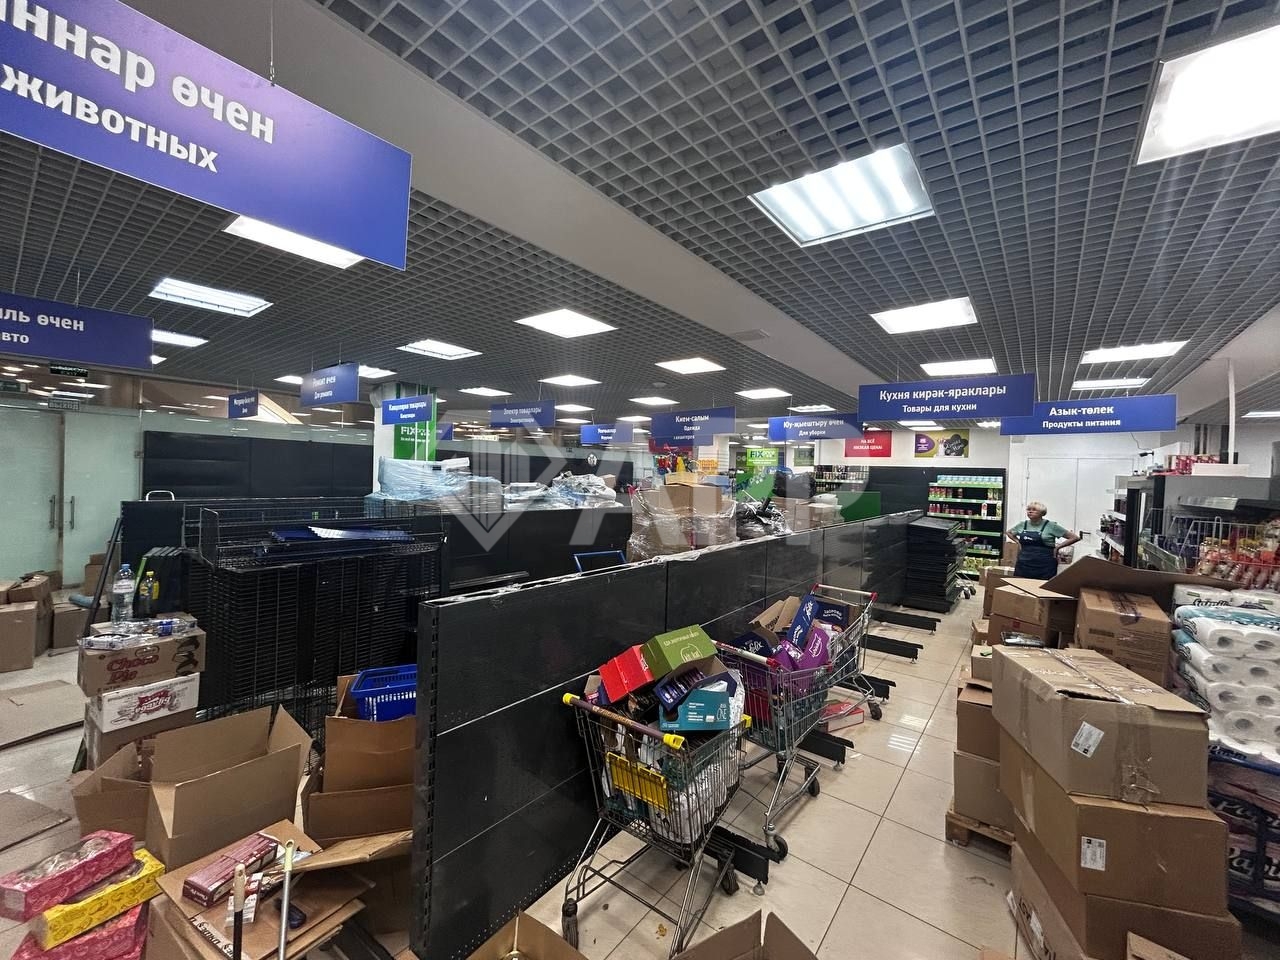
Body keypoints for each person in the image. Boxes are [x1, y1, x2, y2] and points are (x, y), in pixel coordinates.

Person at [1007, 502, 1081, 580]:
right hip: (1024, 563)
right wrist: (1018, 542)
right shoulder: (1022, 524)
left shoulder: (1051, 526)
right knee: (1020, 583)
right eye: (1028, 509)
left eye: (1034, 510)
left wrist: (1057, 547)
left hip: (1044, 564)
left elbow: (1074, 537)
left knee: (1042, 585)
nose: (1030, 511)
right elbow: (1009, 533)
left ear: (1042, 513)